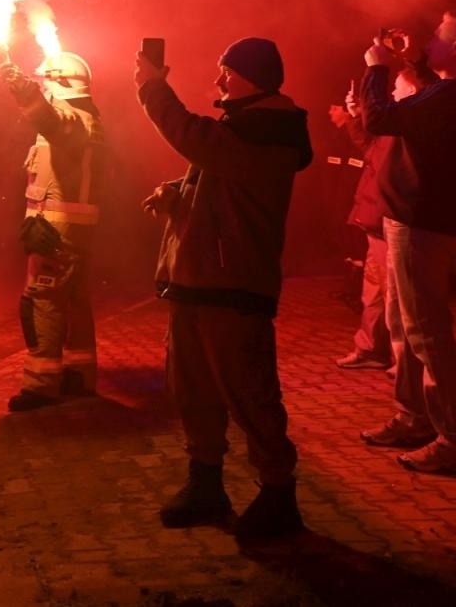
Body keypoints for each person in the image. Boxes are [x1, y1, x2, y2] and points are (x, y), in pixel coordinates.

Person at [135, 36, 312, 542]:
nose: (218, 82)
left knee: (250, 394)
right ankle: (205, 484)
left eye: (227, 73)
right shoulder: (242, 129)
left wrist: (152, 88)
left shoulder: (270, 132)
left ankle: (279, 495)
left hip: (232, 286)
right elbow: (214, 172)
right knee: (194, 391)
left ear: (254, 80)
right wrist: (178, 193)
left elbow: (198, 141)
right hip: (198, 282)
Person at [357, 12, 456, 476]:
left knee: (426, 330)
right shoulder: (450, 93)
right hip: (409, 218)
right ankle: (415, 416)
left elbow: (381, 117)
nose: (430, 39)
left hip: (425, 221)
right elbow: (419, 103)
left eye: (440, 35)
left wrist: (376, 67)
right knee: (401, 323)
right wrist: (408, 61)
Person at [0, 52, 105, 412]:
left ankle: (41, 385)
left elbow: (51, 118)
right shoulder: (89, 118)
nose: (42, 86)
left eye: (46, 81)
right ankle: (79, 376)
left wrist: (23, 90)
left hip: (55, 229)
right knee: (75, 302)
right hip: (74, 229)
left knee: (42, 301)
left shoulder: (72, 119)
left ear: (63, 82)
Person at [332, 63, 427, 371]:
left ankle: (406, 361)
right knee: (373, 292)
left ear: (412, 91)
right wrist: (358, 117)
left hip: (392, 220)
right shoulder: (395, 126)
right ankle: (372, 348)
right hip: (375, 218)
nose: (392, 93)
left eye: (396, 87)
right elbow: (369, 147)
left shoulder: (413, 126)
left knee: (396, 296)